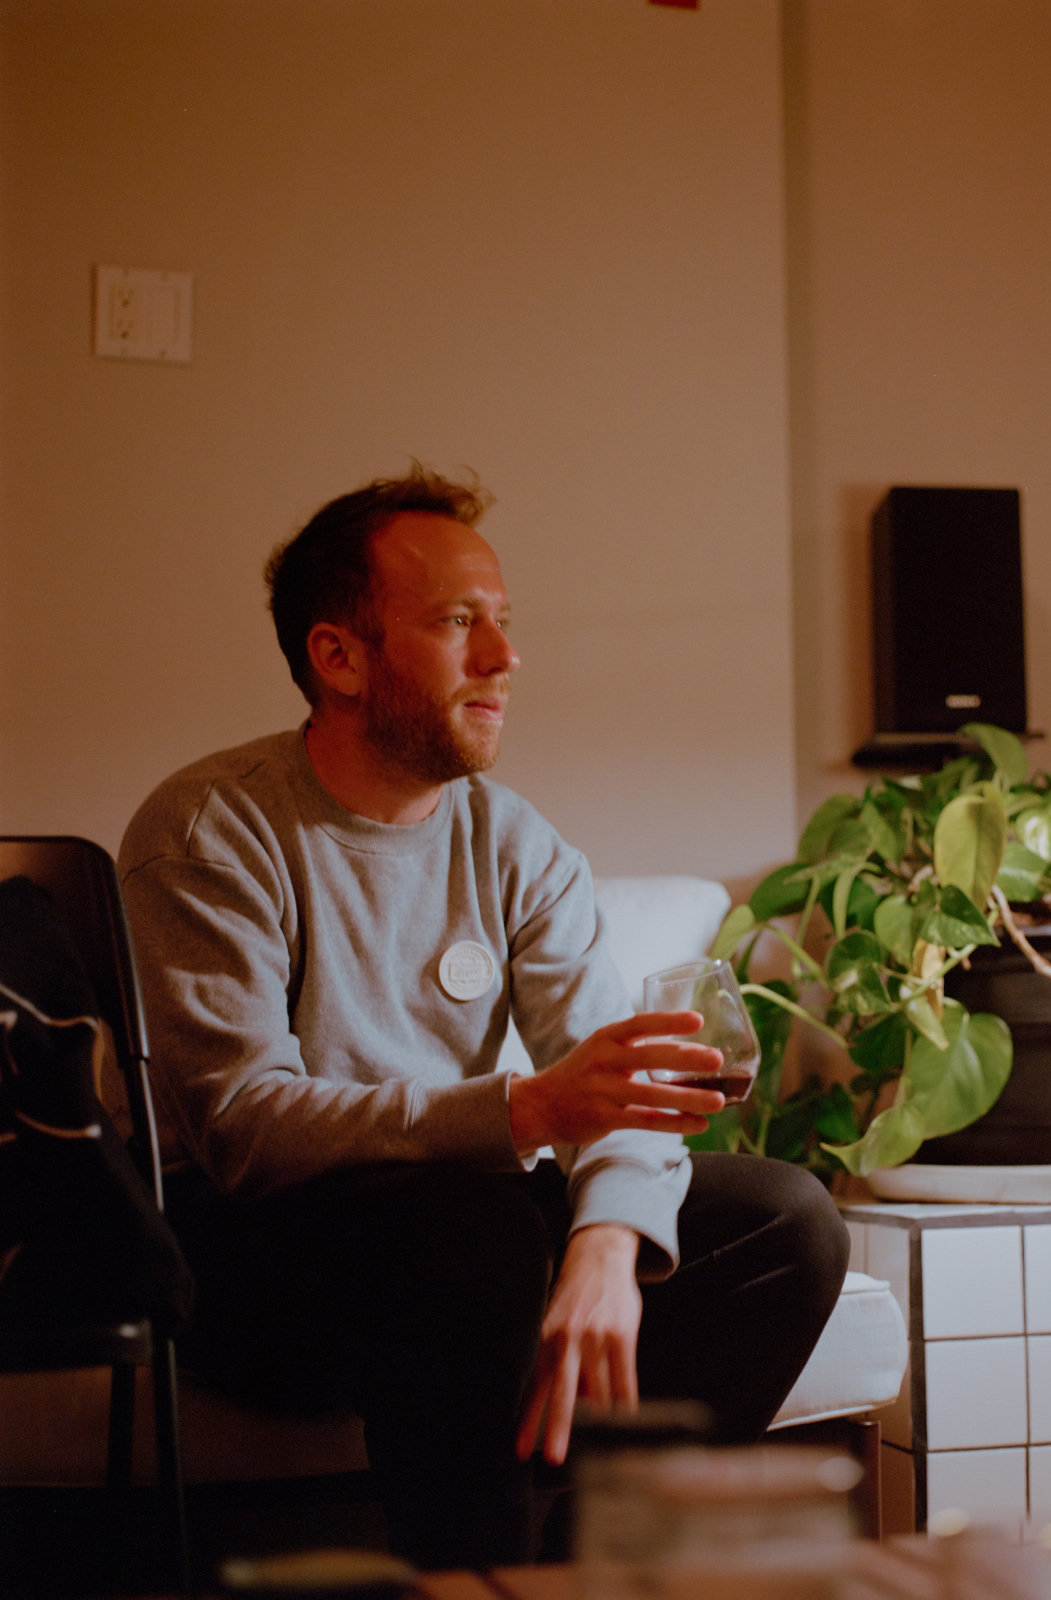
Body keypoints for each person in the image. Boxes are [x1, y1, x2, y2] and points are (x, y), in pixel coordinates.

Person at [118, 469, 848, 1570]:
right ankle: (475, 1575)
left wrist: (605, 1245)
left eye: (504, 621)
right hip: (257, 1259)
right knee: (473, 1226)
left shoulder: (517, 844)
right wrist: (527, 1111)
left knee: (784, 1220)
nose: (505, 658)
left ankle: (581, 1568)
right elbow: (246, 1128)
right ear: (339, 657)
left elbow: (619, 1092)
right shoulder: (210, 830)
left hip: (467, 1240)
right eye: (460, 622)